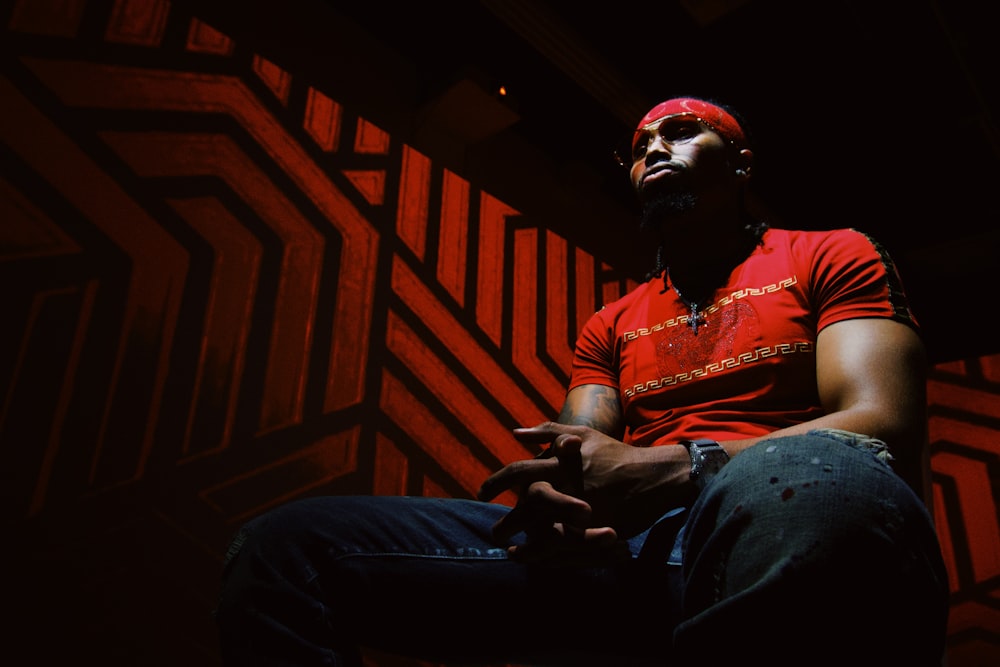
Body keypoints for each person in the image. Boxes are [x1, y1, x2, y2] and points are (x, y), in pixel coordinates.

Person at [215, 96, 950, 666]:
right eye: (640, 147)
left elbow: (881, 421)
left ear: (742, 164)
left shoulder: (828, 253)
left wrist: (678, 462)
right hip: (635, 554)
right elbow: (585, 448)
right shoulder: (612, 323)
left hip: (793, 522)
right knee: (284, 547)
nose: (655, 146)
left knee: (801, 468)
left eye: (684, 131)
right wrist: (560, 495)